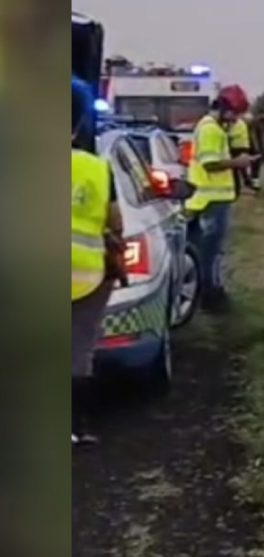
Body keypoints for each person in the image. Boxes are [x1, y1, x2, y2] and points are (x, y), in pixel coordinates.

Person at [71, 76, 126, 446]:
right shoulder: (96, 168)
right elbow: (115, 223)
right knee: (78, 353)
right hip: (86, 277)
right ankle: (73, 429)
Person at [185, 91, 257, 311]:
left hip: (205, 199)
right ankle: (210, 296)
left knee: (201, 251)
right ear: (224, 108)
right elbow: (210, 164)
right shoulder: (211, 130)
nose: (235, 119)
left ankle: (199, 294)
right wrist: (239, 162)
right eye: (234, 114)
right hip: (212, 200)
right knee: (211, 252)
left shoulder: (212, 128)